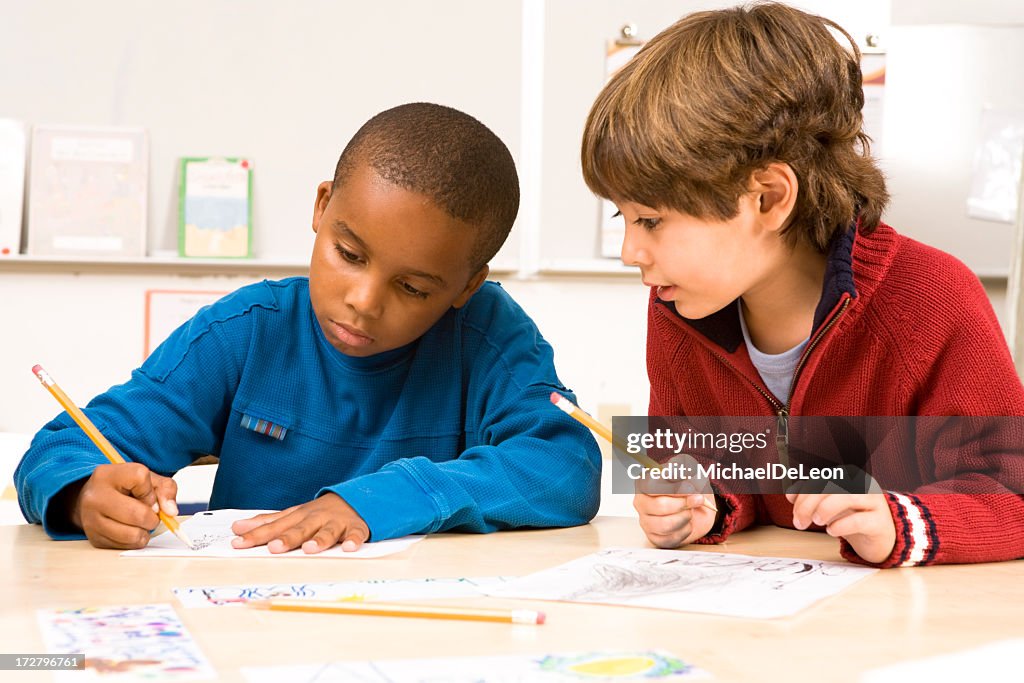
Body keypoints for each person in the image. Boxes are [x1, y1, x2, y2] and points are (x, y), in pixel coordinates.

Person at [17, 102, 601, 552]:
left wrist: (386, 500)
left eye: (414, 288)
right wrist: (81, 494)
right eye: (349, 254)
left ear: (466, 286)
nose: (363, 301)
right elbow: (60, 449)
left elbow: (568, 466)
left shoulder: (489, 336)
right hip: (249, 623)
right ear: (322, 206)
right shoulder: (246, 333)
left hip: (422, 633)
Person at [580, 3, 1024, 567]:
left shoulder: (934, 296)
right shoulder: (674, 306)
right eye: (622, 219)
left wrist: (898, 520)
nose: (629, 253)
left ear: (768, 197)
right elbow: (698, 465)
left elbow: (1012, 491)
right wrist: (699, 505)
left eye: (651, 220)